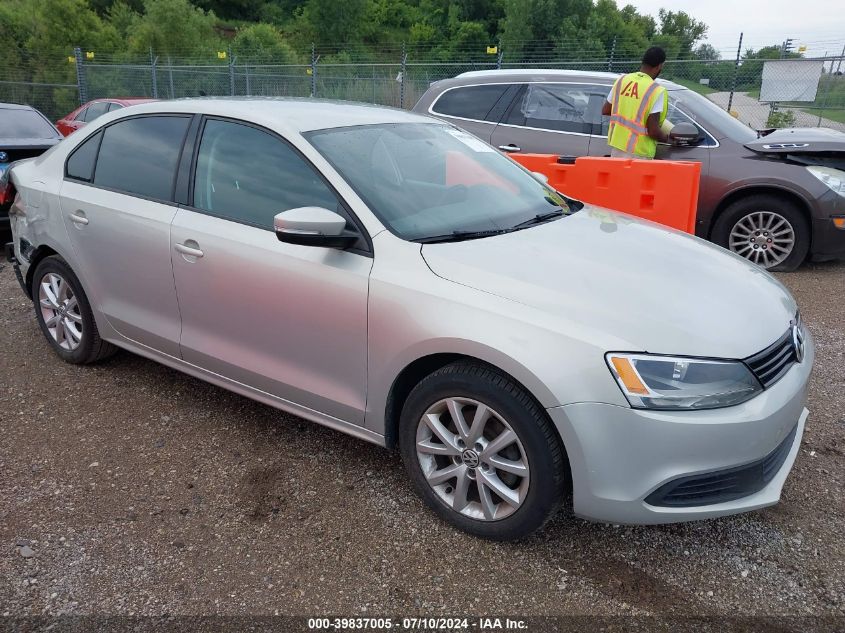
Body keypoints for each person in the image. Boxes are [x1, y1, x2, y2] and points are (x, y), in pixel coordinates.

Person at [601, 46, 670, 160]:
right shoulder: (655, 90)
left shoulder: (622, 80)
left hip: (617, 149)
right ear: (660, 66)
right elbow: (653, 131)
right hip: (639, 154)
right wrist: (667, 138)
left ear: (642, 61)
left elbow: (606, 110)